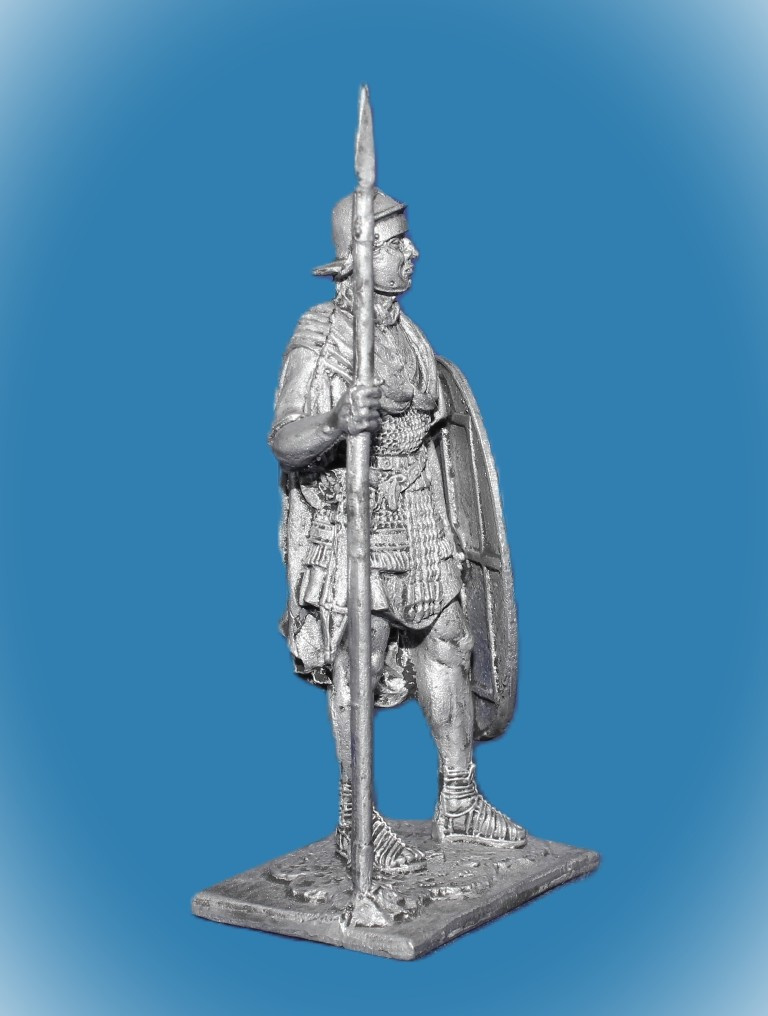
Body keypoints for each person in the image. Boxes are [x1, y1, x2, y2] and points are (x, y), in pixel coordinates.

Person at [269, 189, 526, 876]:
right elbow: (286, 440)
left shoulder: (409, 334)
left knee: (450, 640)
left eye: (407, 239)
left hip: (418, 505)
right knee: (360, 659)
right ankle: (357, 821)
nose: (413, 252)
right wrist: (336, 421)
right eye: (394, 242)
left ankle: (459, 799)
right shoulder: (322, 336)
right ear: (357, 257)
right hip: (358, 515)